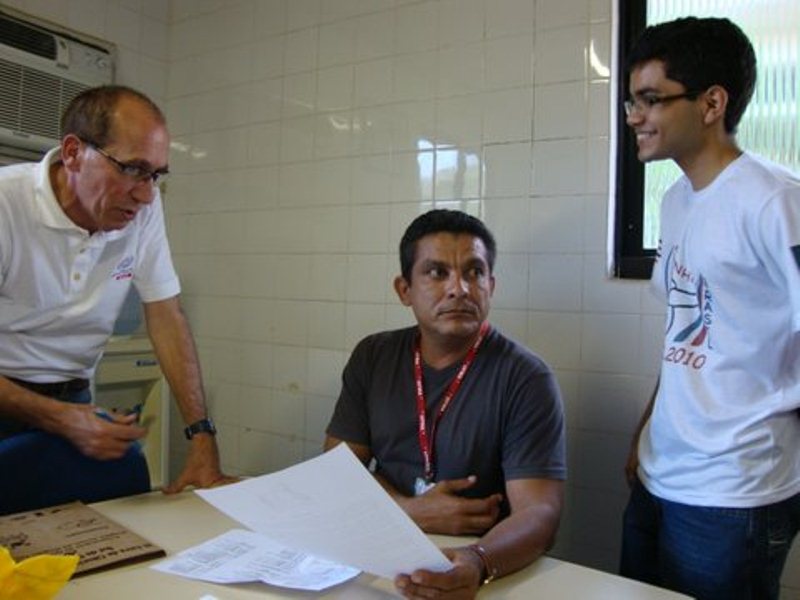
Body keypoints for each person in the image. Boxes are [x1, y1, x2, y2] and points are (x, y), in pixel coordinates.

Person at [620, 17, 800, 600]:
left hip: (734, 492)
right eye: (632, 100)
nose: (634, 116)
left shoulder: (776, 201)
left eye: (651, 99)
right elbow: (684, 333)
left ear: (711, 103)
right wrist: (648, 430)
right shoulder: (676, 201)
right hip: (661, 474)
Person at [0, 85, 234, 496]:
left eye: (156, 175)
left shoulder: (142, 209)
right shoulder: (6, 204)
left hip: (73, 398)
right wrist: (60, 418)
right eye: (132, 169)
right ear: (73, 153)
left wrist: (201, 436)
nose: (145, 194)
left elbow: (165, 314)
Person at [325, 209, 566, 599]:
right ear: (404, 290)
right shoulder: (373, 356)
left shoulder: (526, 377)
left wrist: (477, 562)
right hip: (380, 552)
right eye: (437, 273)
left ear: (491, 285)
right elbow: (338, 470)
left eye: (474, 272)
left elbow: (540, 513)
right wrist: (408, 510)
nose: (460, 289)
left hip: (480, 568)